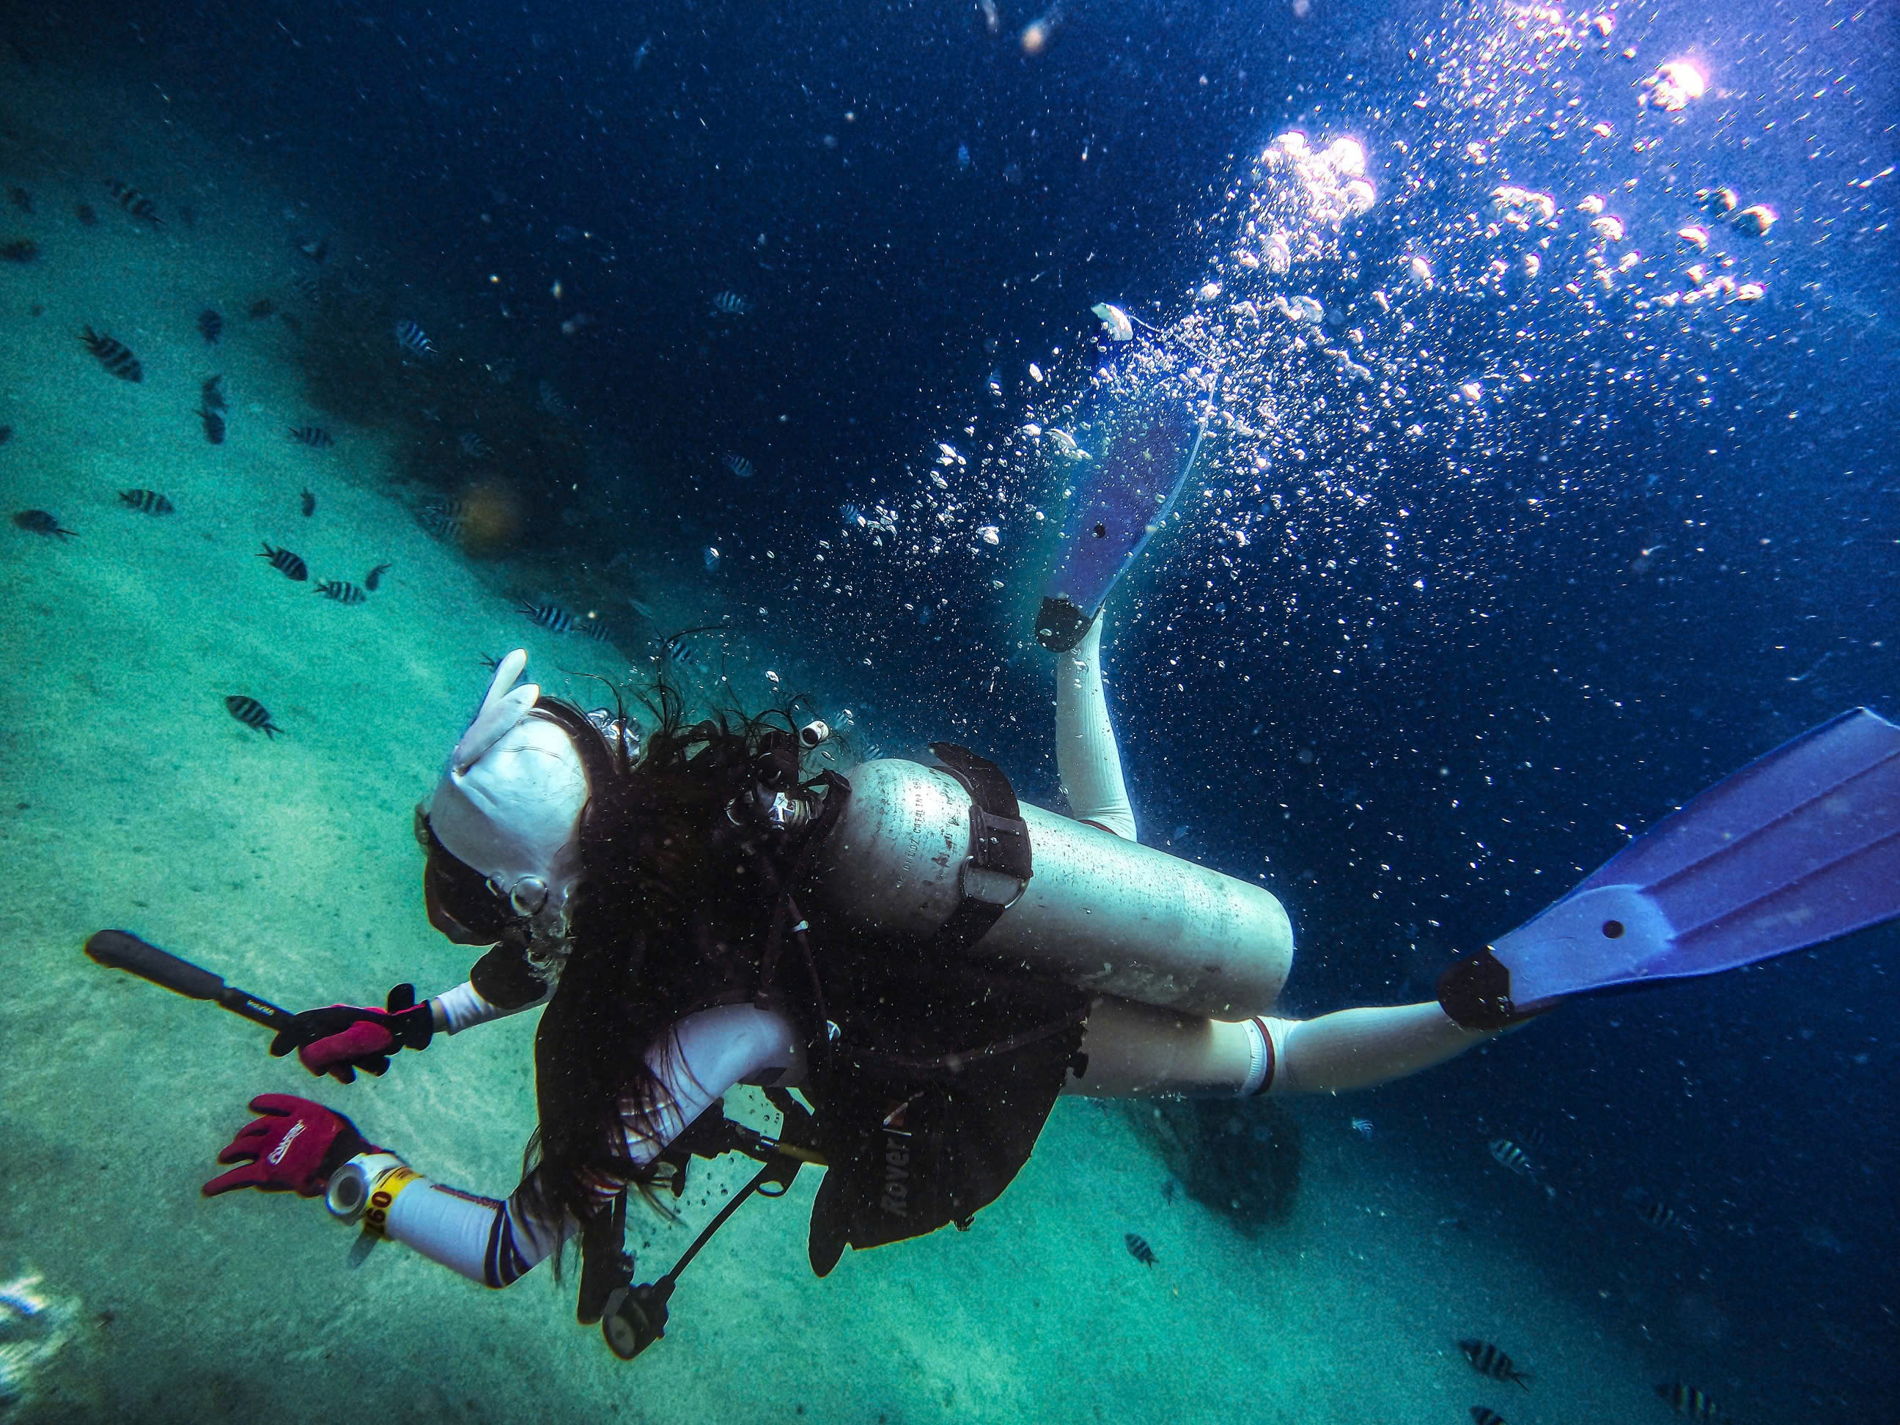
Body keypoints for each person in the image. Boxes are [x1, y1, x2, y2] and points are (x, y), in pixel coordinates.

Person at [202, 608, 1900, 1357]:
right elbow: (577, 942)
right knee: (1125, 867)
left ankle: (1493, 999)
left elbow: (514, 1243)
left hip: (1009, 1041)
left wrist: (352, 1172)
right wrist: (420, 1017)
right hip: (979, 929)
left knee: (1268, 1061)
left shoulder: (684, 1012)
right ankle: (1085, 651)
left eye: (471, 900)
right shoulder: (686, 812)